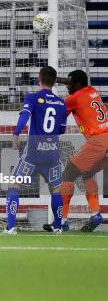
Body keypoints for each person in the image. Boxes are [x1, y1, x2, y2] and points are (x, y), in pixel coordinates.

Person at [4, 66, 66, 235]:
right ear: (54, 82)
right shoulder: (61, 103)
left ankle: (11, 227)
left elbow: (24, 116)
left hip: (34, 153)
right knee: (56, 189)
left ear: (39, 79)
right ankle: (58, 227)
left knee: (14, 184)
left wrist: (16, 133)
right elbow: (61, 130)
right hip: (52, 153)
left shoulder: (32, 97)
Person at [60, 70, 107, 232]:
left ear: (78, 84)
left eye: (70, 83)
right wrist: (61, 80)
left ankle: (62, 221)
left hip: (99, 141)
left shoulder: (73, 99)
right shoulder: (92, 91)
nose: (68, 86)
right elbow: (75, 85)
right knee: (87, 174)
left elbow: (59, 116)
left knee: (68, 173)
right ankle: (95, 214)